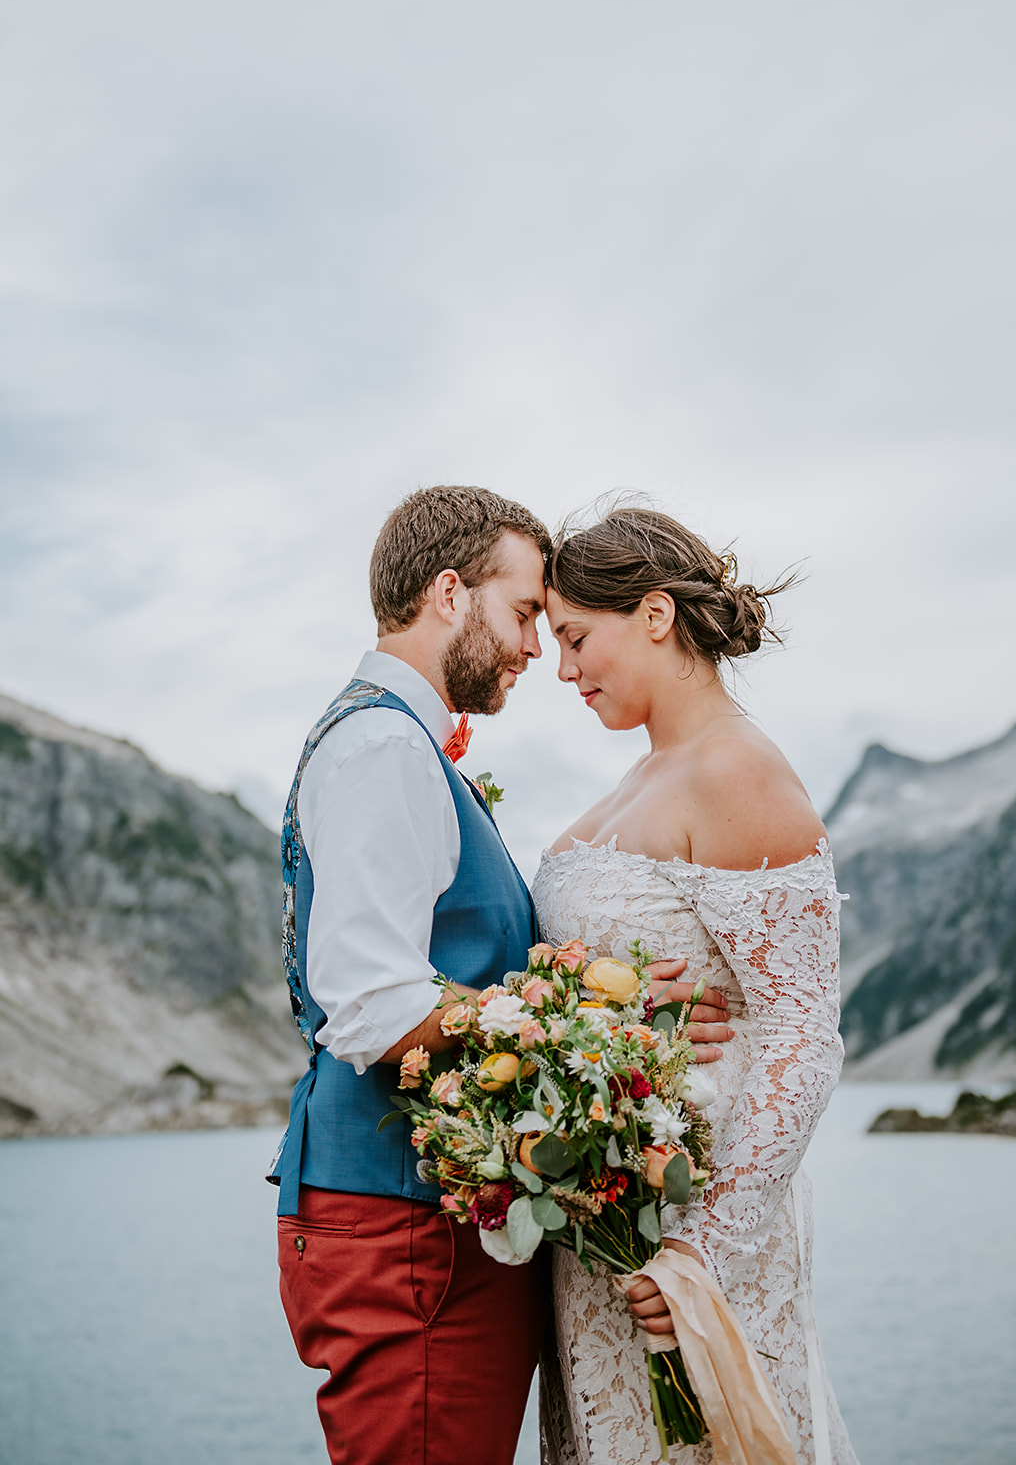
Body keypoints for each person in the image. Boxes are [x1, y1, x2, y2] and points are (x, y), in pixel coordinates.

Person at [271, 485, 733, 1465]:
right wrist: (586, 1031)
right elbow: (372, 1005)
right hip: (404, 1231)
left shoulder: (400, 747)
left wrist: (623, 1011)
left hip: (424, 1227)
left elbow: (441, 971)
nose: (536, 646)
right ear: (449, 593)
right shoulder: (383, 748)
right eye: (525, 611)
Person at [533, 505, 859, 1465]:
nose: (563, 670)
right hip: (607, 1213)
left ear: (655, 614)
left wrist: (701, 1251)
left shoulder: (736, 772)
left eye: (575, 638)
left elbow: (804, 1036)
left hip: (691, 1223)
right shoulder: (641, 777)